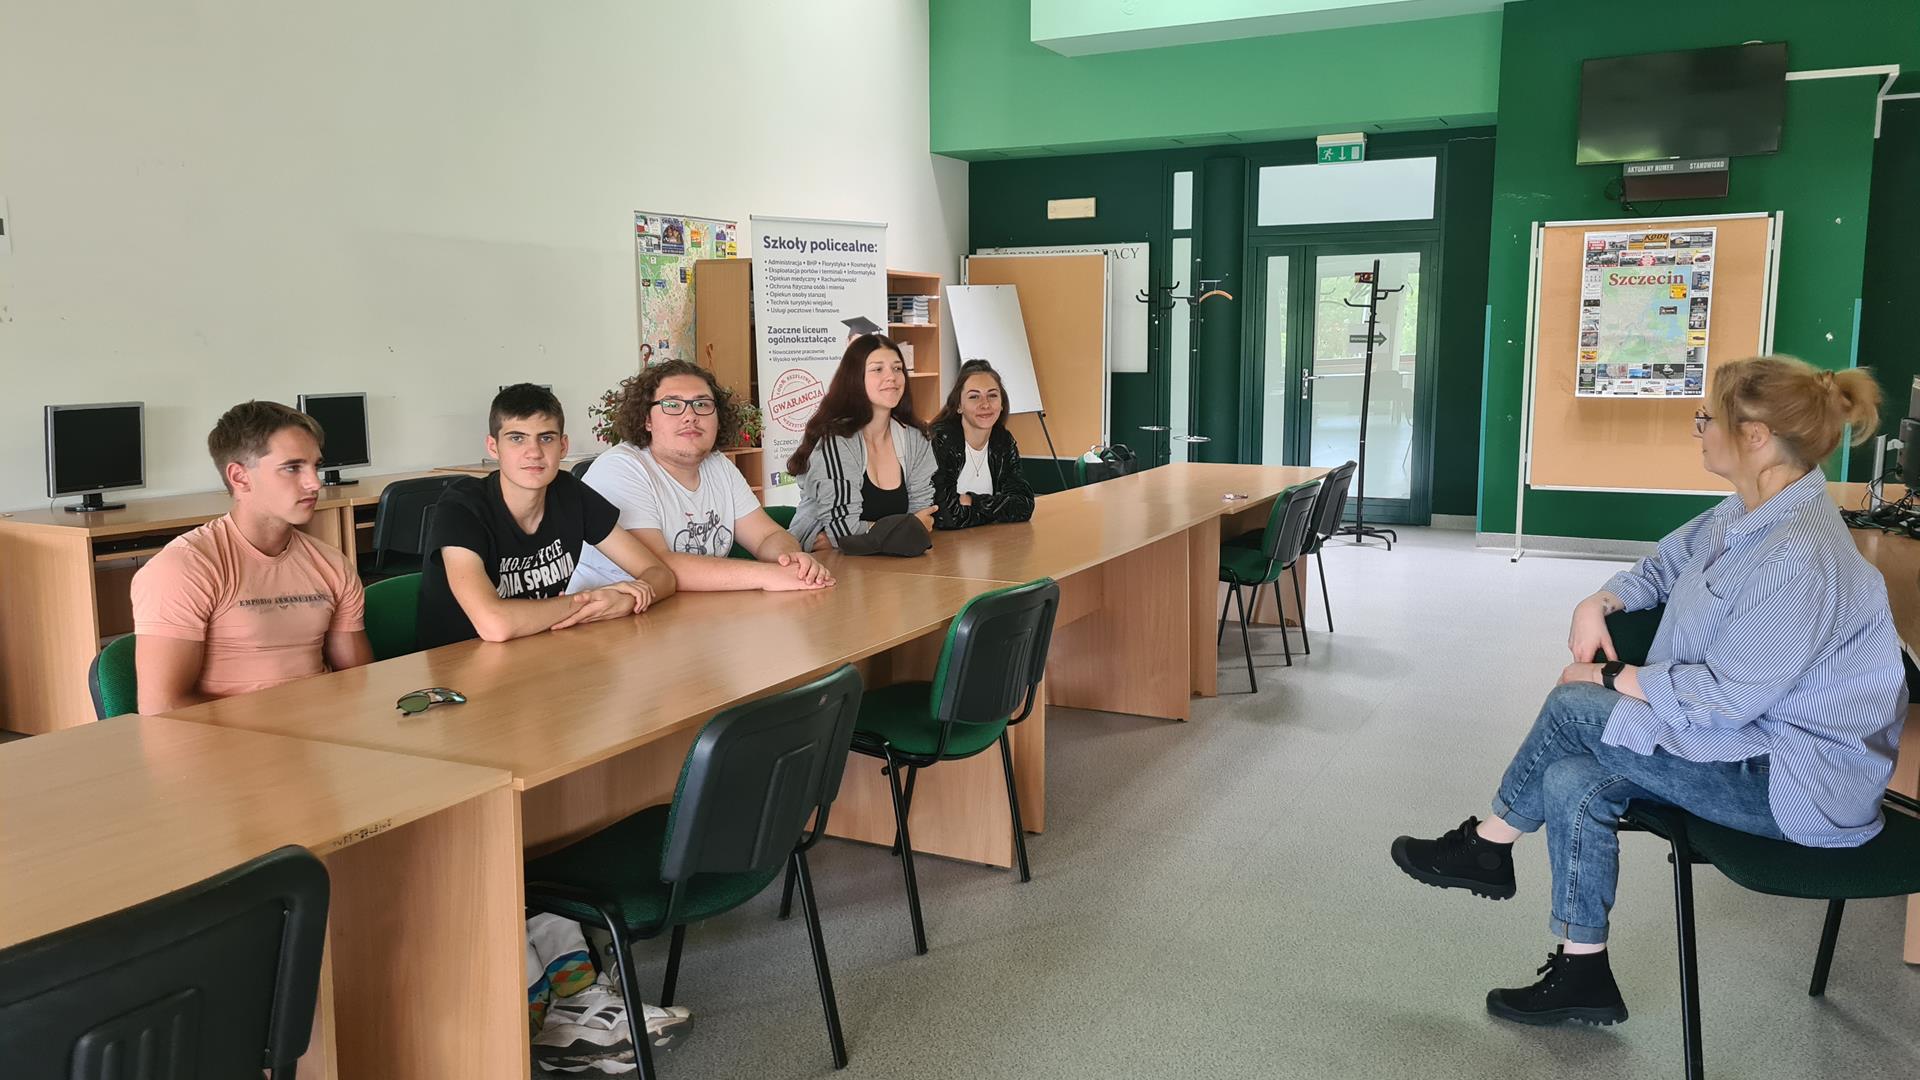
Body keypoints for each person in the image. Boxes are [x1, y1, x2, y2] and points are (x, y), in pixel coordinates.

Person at [1391, 356, 1905, 1027]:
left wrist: (1608, 677)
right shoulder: (1746, 512)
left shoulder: (1802, 554)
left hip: (1794, 782)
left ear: (1754, 436)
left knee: (1573, 707)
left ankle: (1488, 845)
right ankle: (1582, 971)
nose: (1699, 429)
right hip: (1740, 744)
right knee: (1571, 777)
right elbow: (1665, 565)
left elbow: (1723, 699)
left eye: (1707, 418)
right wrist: (1598, 602)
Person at [131, 401, 371, 713]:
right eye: (293, 468)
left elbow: (358, 681)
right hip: (230, 739)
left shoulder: (331, 563)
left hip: (322, 729)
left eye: (316, 466)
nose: (315, 483)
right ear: (240, 477)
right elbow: (163, 707)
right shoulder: (183, 568)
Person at [415, 384, 676, 650]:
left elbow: (661, 575)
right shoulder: (462, 507)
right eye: (517, 438)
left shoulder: (569, 492)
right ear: (493, 447)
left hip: (537, 647)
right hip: (459, 660)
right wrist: (587, 600)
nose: (534, 452)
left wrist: (627, 600)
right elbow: (495, 625)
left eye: (546, 438)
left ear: (563, 446)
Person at [569, 360, 833, 593]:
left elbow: (766, 536)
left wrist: (791, 560)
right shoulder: (620, 468)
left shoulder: (718, 465)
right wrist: (768, 576)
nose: (690, 416)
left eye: (702, 404)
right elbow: (659, 564)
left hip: (696, 611)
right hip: (615, 618)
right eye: (672, 405)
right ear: (646, 420)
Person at [787, 333, 937, 551]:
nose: (892, 377)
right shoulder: (837, 441)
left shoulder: (916, 438)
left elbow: (923, 520)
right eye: (878, 369)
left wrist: (881, 533)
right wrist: (904, 529)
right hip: (823, 561)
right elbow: (845, 533)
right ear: (855, 378)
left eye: (897, 368)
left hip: (891, 562)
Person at [928, 359, 1035, 529]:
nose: (985, 404)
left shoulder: (1003, 441)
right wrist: (998, 509)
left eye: (992, 395)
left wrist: (972, 501)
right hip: (942, 543)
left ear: (1002, 404)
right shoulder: (942, 440)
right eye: (974, 396)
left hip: (989, 541)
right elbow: (945, 515)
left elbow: (1024, 506)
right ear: (959, 406)